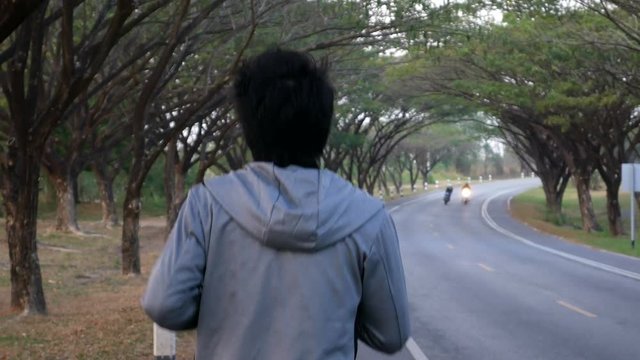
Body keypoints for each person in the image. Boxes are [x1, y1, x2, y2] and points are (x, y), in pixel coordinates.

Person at [141, 48, 410, 359]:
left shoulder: (207, 205)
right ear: (324, 125)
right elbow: (392, 335)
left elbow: (164, 305)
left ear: (247, 127)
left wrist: (216, 310)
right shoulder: (369, 217)